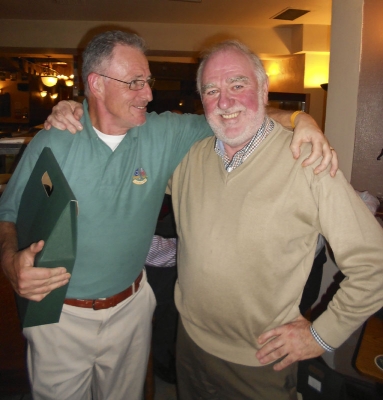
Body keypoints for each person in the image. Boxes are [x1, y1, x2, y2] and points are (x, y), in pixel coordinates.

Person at [0, 31, 334, 400]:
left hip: (132, 309)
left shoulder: (163, 133)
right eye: (134, 83)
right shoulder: (54, 141)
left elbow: (236, 114)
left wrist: (301, 118)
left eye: (148, 81)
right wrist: (10, 260)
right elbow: (8, 212)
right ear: (96, 84)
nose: (147, 94)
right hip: (61, 314)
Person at [165, 41, 383, 400]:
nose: (224, 101)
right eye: (212, 90)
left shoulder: (308, 162)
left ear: (264, 91)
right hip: (189, 345)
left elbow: (373, 264)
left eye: (238, 85)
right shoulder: (189, 158)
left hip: (260, 362)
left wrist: (320, 336)